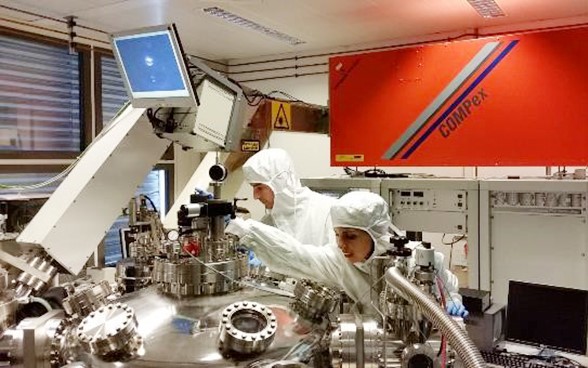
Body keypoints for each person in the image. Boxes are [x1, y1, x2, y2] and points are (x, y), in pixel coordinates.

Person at [226, 191, 468, 317]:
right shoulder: (339, 262)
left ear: (374, 234)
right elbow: (296, 255)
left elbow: (449, 290)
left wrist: (454, 302)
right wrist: (244, 229)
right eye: (337, 234)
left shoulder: (419, 260)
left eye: (351, 236)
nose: (341, 244)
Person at [242, 148, 336, 247]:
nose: (255, 196)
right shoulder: (269, 221)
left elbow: (330, 260)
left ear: (279, 183)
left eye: (260, 188)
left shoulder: (327, 212)